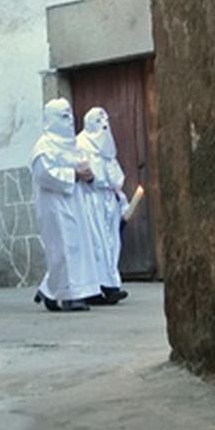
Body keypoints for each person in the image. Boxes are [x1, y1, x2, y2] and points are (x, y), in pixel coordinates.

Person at [30, 98, 100, 312]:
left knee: (76, 246)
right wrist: (73, 175)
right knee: (64, 247)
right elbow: (44, 174)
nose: (69, 121)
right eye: (63, 116)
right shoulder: (43, 146)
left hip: (75, 202)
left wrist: (88, 175)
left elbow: (84, 167)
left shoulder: (73, 144)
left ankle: (52, 291)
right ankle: (69, 296)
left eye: (70, 115)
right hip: (55, 205)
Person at [78, 106, 130, 305]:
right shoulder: (81, 144)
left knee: (112, 243)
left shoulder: (107, 146)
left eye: (105, 121)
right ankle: (97, 286)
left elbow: (113, 171)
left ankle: (112, 284)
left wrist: (120, 197)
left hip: (109, 200)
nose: (103, 126)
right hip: (92, 200)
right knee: (97, 243)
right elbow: (86, 173)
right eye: (98, 122)